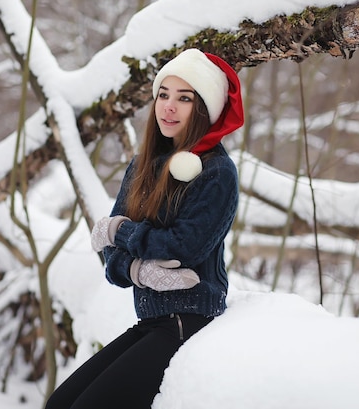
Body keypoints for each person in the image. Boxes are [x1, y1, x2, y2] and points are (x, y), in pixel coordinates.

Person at [45, 48, 244, 409]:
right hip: (152, 320)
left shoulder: (217, 172)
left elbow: (182, 247)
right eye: (163, 95)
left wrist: (120, 231)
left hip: (188, 319)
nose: (169, 106)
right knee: (60, 403)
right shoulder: (141, 167)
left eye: (185, 99)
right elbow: (110, 259)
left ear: (204, 110)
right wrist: (138, 270)